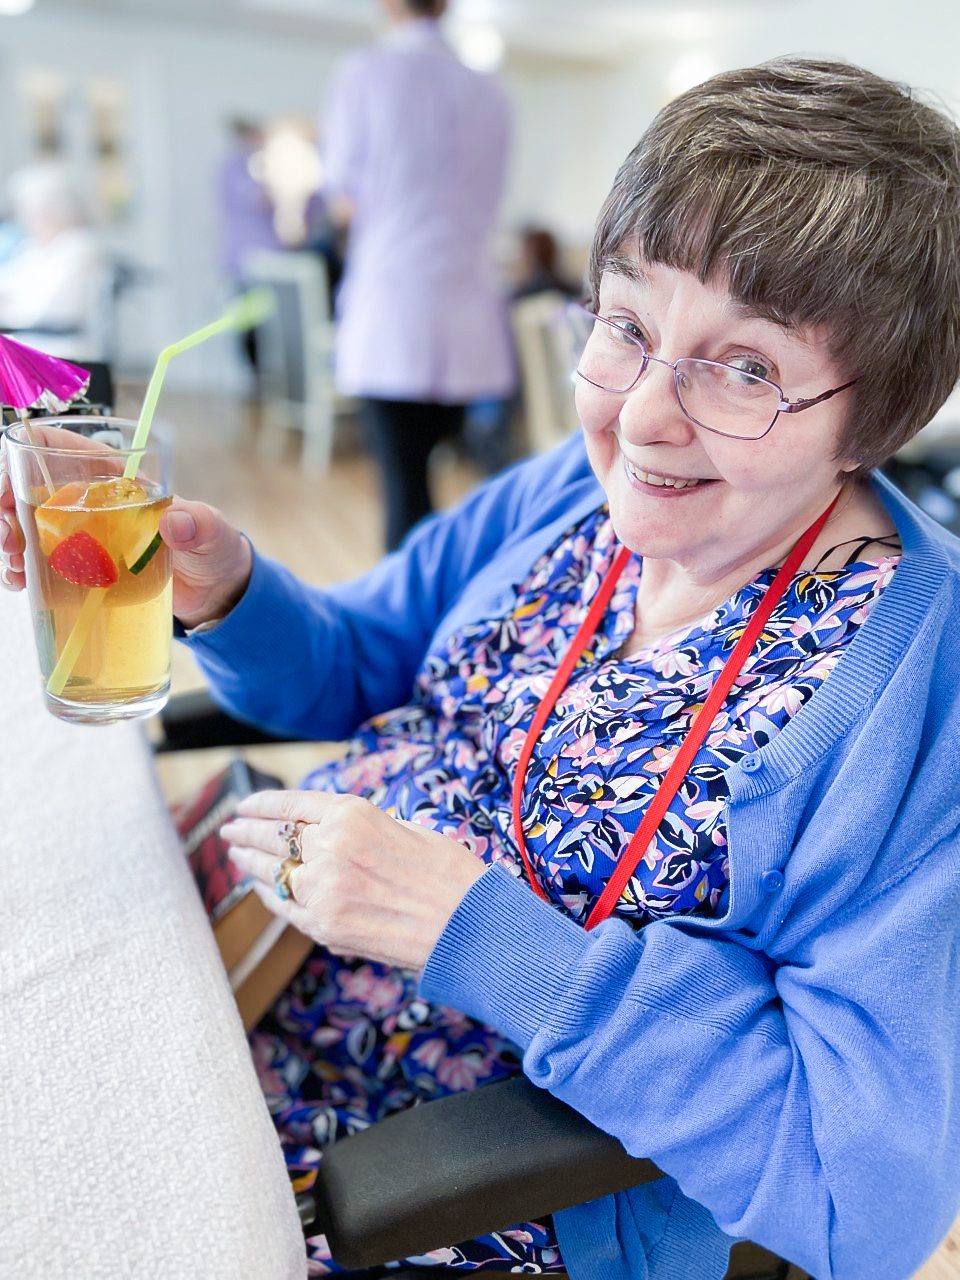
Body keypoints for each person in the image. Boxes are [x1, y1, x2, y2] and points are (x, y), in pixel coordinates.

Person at [4, 56, 960, 1279]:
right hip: (257, 953)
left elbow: (859, 1195)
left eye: (747, 368)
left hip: (442, 1169)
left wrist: (475, 931)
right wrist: (225, 587)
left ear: (872, 417)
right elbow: (350, 662)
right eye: (626, 323)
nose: (644, 415)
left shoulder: (910, 692)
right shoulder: (577, 486)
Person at [322, 0, 515, 551]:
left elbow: (343, 199)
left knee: (404, 483)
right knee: (437, 473)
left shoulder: (365, 73)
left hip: (395, 306)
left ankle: (410, 614)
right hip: (468, 310)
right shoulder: (492, 91)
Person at [0, 159, 103, 357]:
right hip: (22, 348)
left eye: (33, 211)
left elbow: (40, 310)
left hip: (60, 353)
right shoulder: (30, 248)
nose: (26, 219)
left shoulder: (80, 246)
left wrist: (11, 304)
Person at [217, 118, 282, 384]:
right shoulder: (235, 168)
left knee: (273, 326)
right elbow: (259, 200)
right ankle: (256, 380)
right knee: (249, 325)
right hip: (245, 262)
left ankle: (272, 379)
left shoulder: (265, 164)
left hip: (274, 262)